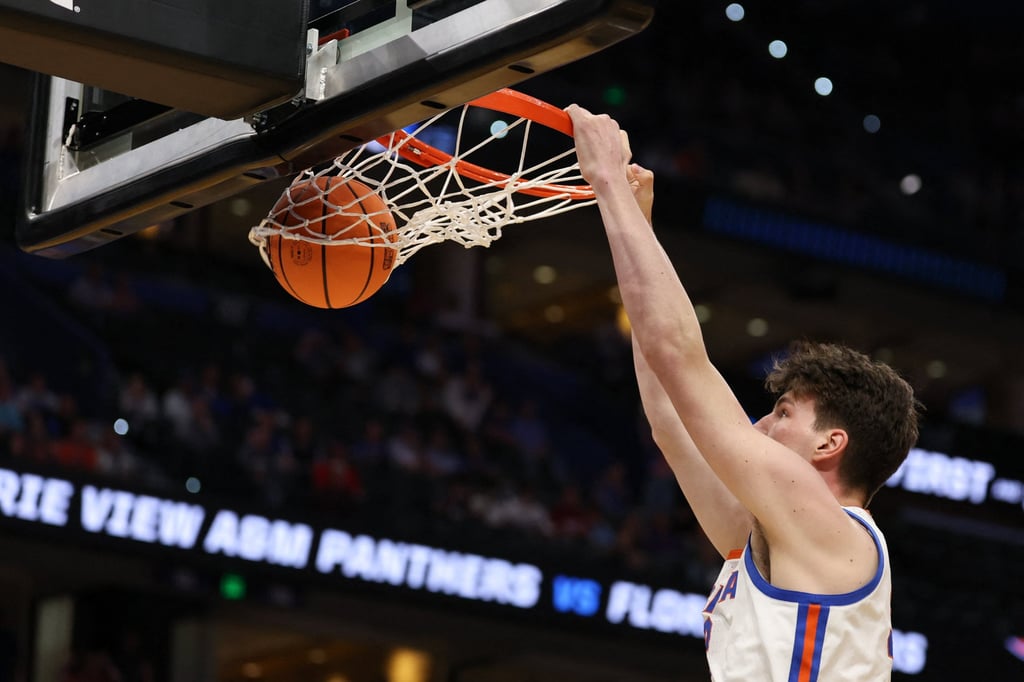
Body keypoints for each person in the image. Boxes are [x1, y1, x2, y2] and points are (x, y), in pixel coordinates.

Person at [566, 104, 921, 681]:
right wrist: (638, 224)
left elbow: (679, 357)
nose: (758, 426)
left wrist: (607, 179)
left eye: (782, 412)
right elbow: (671, 419)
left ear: (831, 444)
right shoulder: (773, 535)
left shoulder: (830, 528)